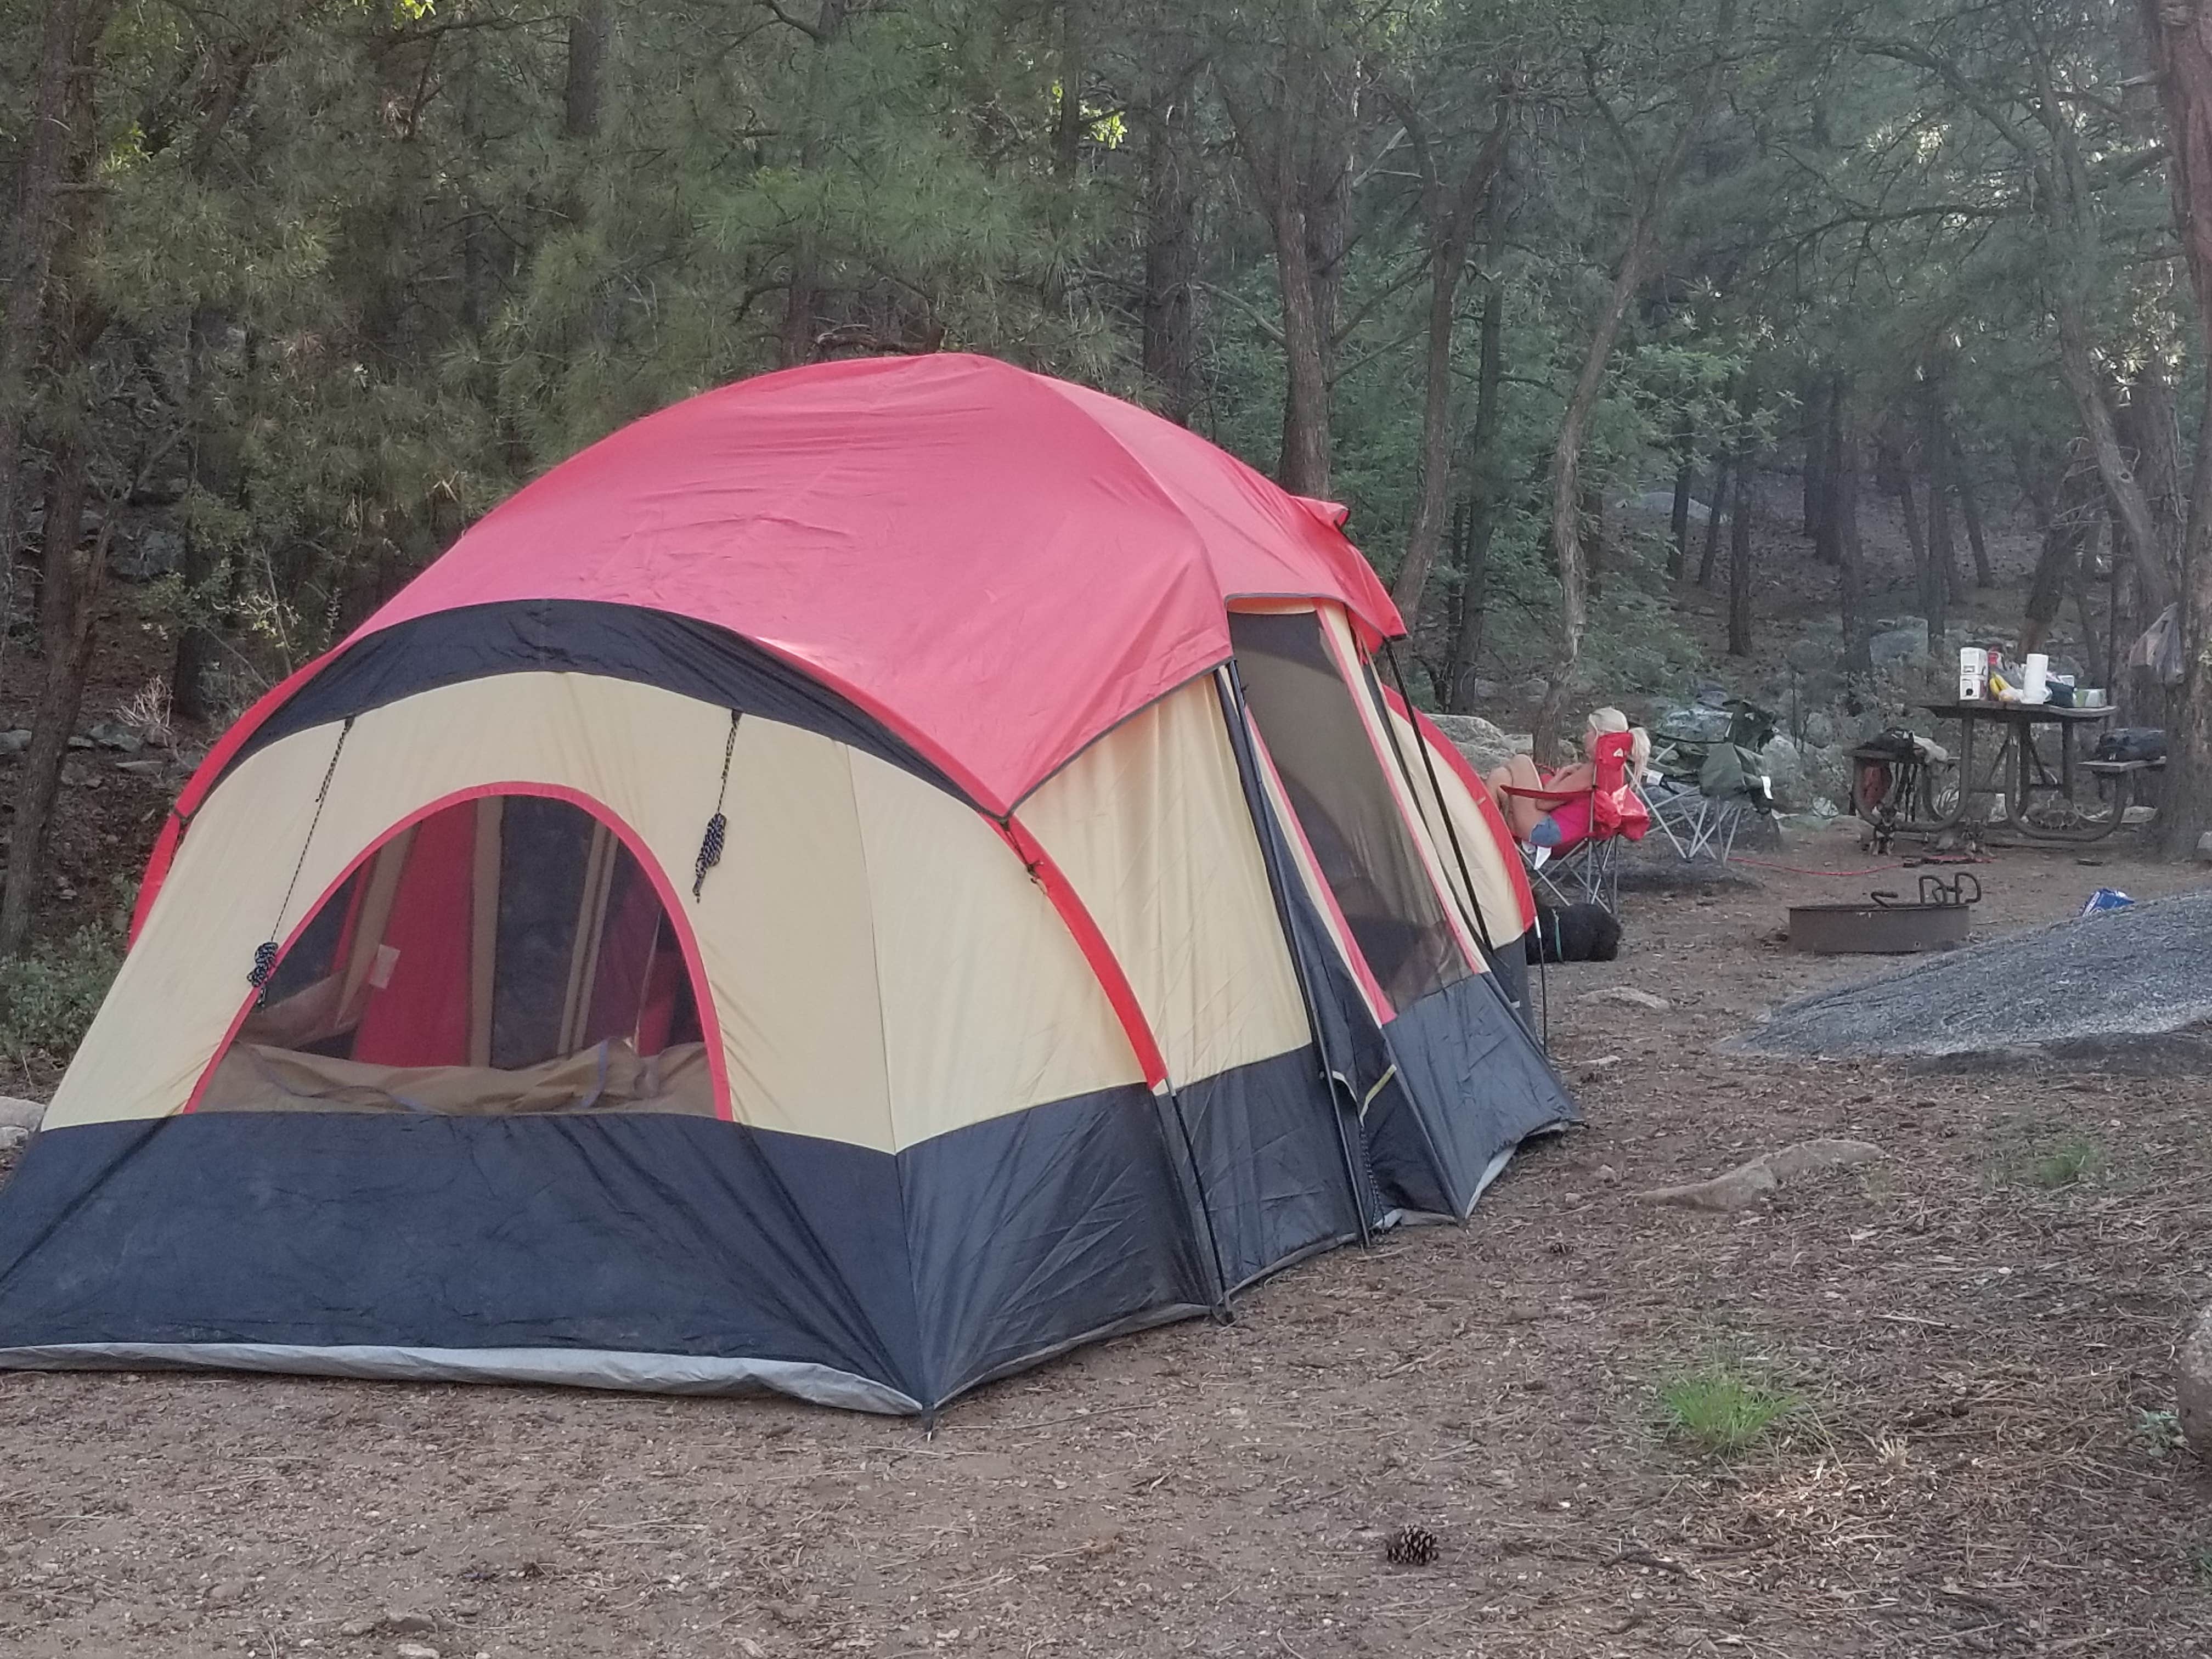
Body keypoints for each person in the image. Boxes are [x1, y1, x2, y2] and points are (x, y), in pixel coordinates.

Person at [1487, 707, 1651, 850]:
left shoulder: (1591, 770)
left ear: (1599, 736)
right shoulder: (1614, 771)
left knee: (1522, 761)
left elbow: (1543, 802)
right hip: (1567, 837)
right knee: (1500, 778)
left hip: (1546, 833)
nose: (1583, 736)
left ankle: (1481, 841)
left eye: (1588, 731)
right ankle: (1494, 851)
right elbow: (1548, 799)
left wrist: (1561, 774)